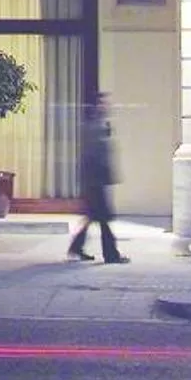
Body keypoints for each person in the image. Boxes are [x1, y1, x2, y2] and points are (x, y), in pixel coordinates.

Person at [67, 93, 127, 265]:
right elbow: (93, 156)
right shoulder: (94, 127)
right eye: (102, 103)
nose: (106, 106)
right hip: (95, 181)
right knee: (103, 219)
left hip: (96, 180)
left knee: (94, 217)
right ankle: (111, 255)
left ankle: (76, 247)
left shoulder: (100, 125)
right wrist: (99, 177)